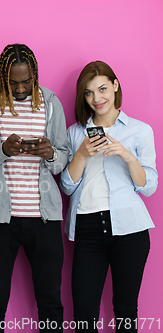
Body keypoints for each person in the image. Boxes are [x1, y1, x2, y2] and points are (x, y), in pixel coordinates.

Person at [0, 44, 68, 332]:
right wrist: (2, 151)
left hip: (45, 218)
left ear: (35, 76)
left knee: (50, 301)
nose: (20, 88)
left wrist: (50, 154)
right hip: (0, 220)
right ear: (2, 78)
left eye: (26, 81)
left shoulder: (51, 103)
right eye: (13, 83)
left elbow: (62, 161)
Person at [60, 61, 157, 333]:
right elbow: (67, 187)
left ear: (115, 86)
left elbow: (148, 186)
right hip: (88, 228)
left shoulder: (140, 130)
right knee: (83, 314)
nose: (96, 98)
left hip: (130, 228)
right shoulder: (75, 132)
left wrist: (126, 154)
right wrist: (81, 154)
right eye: (89, 93)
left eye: (102, 89)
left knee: (126, 310)